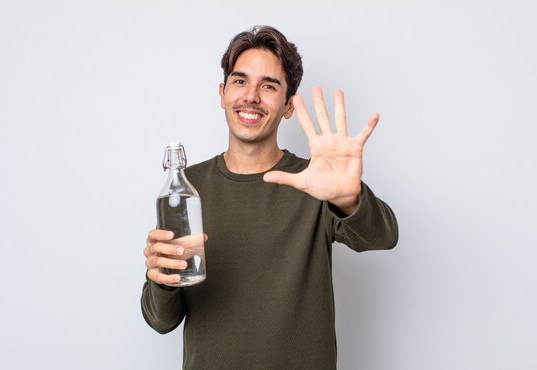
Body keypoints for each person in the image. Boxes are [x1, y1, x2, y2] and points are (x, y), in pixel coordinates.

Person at [141, 25, 398, 369]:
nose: (251, 96)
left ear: (289, 106)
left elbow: (383, 237)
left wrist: (350, 198)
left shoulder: (315, 182)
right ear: (222, 93)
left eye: (269, 86)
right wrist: (160, 281)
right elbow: (162, 320)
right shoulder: (187, 188)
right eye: (240, 81)